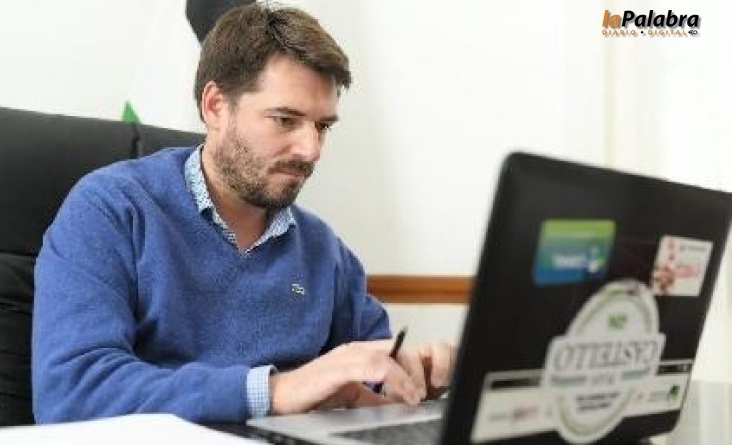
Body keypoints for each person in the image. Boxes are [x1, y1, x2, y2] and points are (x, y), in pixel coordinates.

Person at [32, 3, 454, 424]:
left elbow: (369, 373)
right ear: (215, 106)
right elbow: (71, 392)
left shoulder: (323, 250)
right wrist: (275, 392)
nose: (311, 150)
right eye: (285, 119)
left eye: (322, 126)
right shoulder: (111, 210)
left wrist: (412, 380)